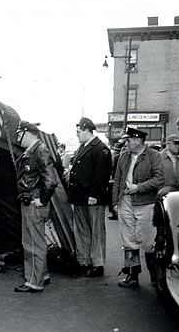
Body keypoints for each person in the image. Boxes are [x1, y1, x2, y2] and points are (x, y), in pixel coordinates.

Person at [112, 127, 165, 287]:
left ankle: (155, 276)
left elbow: (159, 179)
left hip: (145, 203)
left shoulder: (153, 156)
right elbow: (117, 180)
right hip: (126, 202)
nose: (125, 144)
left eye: (128, 140)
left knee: (148, 242)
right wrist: (115, 202)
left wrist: (138, 187)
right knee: (129, 241)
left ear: (137, 141)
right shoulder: (123, 157)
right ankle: (132, 276)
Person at [14, 120, 57, 293]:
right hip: (31, 201)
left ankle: (34, 281)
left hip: (33, 202)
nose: (17, 137)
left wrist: (43, 199)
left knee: (32, 243)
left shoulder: (39, 151)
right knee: (35, 241)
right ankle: (42, 274)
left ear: (27, 133)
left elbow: (51, 181)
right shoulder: (34, 151)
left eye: (19, 134)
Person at [68, 117, 112, 277]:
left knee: (96, 231)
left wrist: (94, 195)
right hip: (80, 196)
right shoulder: (84, 147)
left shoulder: (100, 149)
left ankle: (98, 263)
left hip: (91, 198)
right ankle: (84, 260)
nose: (77, 135)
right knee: (82, 231)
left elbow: (101, 175)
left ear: (87, 130)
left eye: (79, 132)